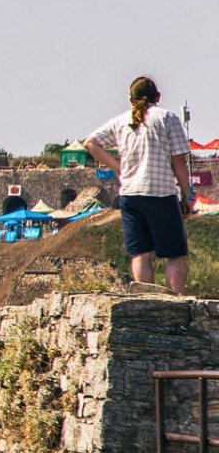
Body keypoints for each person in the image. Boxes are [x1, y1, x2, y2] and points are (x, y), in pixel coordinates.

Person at [87, 75, 196, 294]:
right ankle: (176, 301)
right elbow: (179, 162)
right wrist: (187, 195)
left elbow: (91, 142)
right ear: (158, 96)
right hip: (161, 193)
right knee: (174, 254)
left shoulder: (121, 121)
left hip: (130, 193)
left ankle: (147, 301)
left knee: (140, 254)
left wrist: (117, 167)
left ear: (131, 100)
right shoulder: (168, 118)